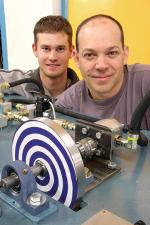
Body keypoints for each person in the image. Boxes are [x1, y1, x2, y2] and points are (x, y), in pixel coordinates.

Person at [55, 14, 150, 129]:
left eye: (111, 53)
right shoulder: (65, 107)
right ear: (76, 58)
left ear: (125, 54)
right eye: (89, 55)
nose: (101, 65)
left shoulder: (146, 83)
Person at [0, 15, 79, 101]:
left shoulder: (84, 93)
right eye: (46, 49)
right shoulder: (19, 82)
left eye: (60, 49)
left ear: (71, 51)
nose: (52, 57)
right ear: (35, 49)